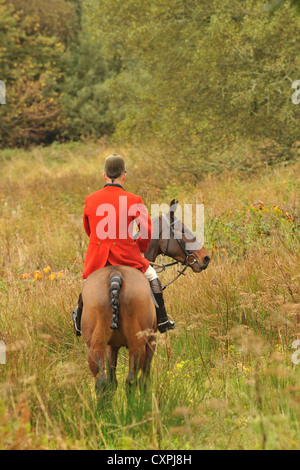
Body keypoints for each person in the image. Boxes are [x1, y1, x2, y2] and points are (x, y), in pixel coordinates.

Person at [72, 154, 175, 336]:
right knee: (152, 276)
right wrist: (141, 249)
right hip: (127, 256)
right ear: (124, 175)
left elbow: (89, 230)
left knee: (88, 284)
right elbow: (146, 231)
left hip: (98, 259)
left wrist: (100, 245)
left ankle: (79, 322)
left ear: (104, 175)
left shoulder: (90, 199)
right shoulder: (134, 199)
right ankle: (163, 320)